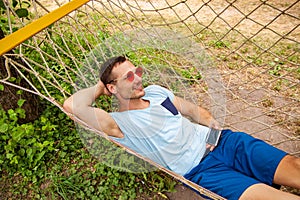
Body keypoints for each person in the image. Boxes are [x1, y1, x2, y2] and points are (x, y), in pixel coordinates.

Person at [63, 55, 300, 200]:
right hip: (201, 171)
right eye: (127, 77)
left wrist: (214, 131)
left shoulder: (156, 92)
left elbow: (197, 113)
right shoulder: (117, 124)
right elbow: (71, 105)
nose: (137, 79)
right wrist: (99, 86)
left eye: (136, 72)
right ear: (112, 89)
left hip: (224, 142)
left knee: (294, 167)